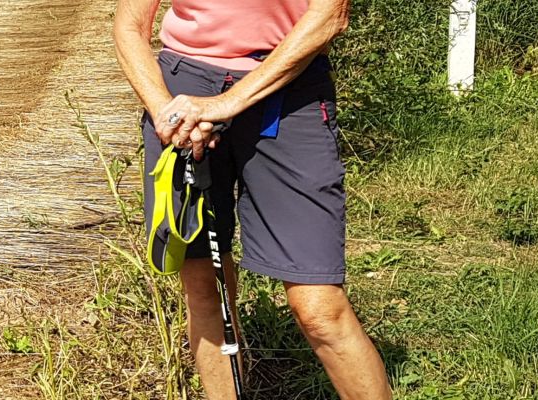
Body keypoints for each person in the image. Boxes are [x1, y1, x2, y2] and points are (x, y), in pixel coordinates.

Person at [111, 0, 393, 398]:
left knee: (319, 309)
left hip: (288, 91)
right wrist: (164, 112)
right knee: (205, 285)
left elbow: (331, 15)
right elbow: (129, 28)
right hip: (183, 96)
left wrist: (229, 102)